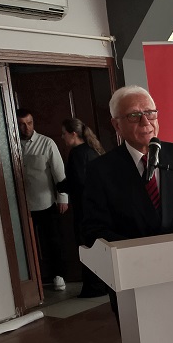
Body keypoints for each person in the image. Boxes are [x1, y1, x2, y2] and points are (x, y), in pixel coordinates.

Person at [83, 85, 173, 316]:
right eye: (134, 115)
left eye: (150, 113)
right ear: (116, 125)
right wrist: (147, 255)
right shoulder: (100, 170)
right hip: (134, 279)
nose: (145, 121)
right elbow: (94, 229)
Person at [17, 108, 69, 292]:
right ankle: (31, 280)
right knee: (26, 243)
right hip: (21, 204)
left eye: (29, 123)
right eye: (22, 124)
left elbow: (59, 172)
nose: (26, 128)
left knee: (52, 240)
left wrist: (63, 198)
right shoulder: (11, 143)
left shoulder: (46, 143)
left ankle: (58, 275)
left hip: (45, 202)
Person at [62, 118, 107, 297]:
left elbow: (78, 182)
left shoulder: (76, 154)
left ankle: (93, 287)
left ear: (73, 134)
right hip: (97, 208)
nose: (62, 137)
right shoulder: (92, 151)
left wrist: (61, 186)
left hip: (83, 209)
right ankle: (101, 285)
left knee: (85, 246)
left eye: (64, 133)